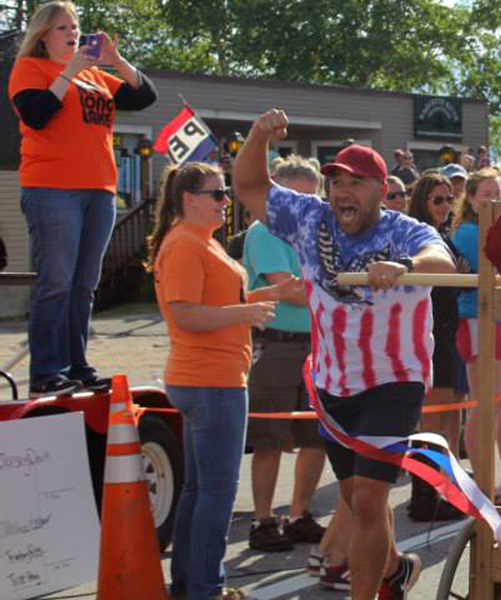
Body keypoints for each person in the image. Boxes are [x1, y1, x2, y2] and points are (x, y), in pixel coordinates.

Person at [234, 109, 457, 600]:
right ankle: (395, 569)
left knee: (372, 497)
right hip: (334, 384)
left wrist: (403, 266)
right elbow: (249, 186)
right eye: (336, 181)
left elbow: (441, 261)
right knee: (357, 498)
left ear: (381, 188)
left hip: (393, 381)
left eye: (356, 183)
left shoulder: (403, 229)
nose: (342, 192)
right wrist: (257, 137)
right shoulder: (311, 217)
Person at [149, 162, 297, 600]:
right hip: (210, 380)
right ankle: (206, 589)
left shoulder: (199, 242)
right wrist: (245, 313)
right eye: (217, 194)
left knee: (200, 491)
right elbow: (185, 313)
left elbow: (212, 303)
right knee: (215, 493)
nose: (226, 201)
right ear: (188, 199)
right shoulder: (184, 245)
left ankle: (191, 585)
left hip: (211, 378)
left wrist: (260, 298)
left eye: (225, 193)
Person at [9, 1, 158, 395]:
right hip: (53, 188)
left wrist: (115, 59)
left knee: (83, 284)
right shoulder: (30, 69)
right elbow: (36, 114)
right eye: (63, 28)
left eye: (75, 27)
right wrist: (68, 74)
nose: (73, 33)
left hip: (100, 189)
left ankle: (77, 365)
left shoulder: (94, 73)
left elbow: (144, 96)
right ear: (43, 35)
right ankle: (47, 372)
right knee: (56, 280)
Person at [243, 157, 330, 555]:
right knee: (270, 438)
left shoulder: (316, 234)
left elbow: (302, 287)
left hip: (316, 344)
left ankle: (299, 514)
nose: (306, 207)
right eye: (298, 197)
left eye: (312, 198)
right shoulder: (264, 232)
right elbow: (289, 288)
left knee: (316, 437)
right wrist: (325, 286)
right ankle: (263, 519)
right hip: (276, 344)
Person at [451, 168, 501, 502]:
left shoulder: (500, 229)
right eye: (486, 194)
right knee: (484, 406)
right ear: (470, 198)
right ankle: (483, 487)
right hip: (482, 318)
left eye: (498, 193)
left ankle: (490, 484)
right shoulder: (469, 231)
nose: (494, 200)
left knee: (495, 407)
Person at [405, 172, 469, 523]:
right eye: (438, 200)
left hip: (449, 331)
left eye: (449, 199)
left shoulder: (445, 236)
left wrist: (460, 276)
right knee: (432, 421)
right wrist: (456, 276)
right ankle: (424, 496)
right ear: (423, 202)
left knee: (450, 416)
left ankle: (448, 489)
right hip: (428, 332)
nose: (446, 206)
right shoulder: (418, 237)